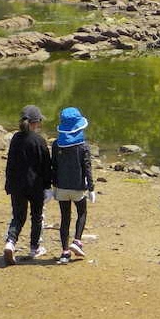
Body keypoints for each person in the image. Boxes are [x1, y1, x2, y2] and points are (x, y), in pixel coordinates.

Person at [3, 104, 52, 265]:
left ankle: (10, 242)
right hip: (35, 186)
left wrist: (8, 184)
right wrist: (48, 186)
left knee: (18, 216)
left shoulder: (15, 139)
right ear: (36, 122)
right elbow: (46, 166)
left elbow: (10, 163)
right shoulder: (39, 141)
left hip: (16, 185)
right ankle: (34, 248)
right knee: (36, 217)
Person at [51, 107, 95, 264]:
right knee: (82, 212)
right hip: (77, 188)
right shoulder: (83, 146)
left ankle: (64, 252)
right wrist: (91, 188)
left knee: (65, 218)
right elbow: (87, 168)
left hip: (61, 188)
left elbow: (54, 166)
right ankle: (77, 241)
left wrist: (53, 187)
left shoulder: (56, 145)